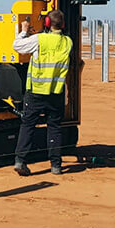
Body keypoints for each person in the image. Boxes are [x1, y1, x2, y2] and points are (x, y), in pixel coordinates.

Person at [11, 9, 73, 176]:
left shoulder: (40, 39)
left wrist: (24, 31)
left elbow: (17, 46)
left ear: (46, 23)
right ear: (63, 25)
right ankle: (56, 165)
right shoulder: (68, 42)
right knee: (54, 127)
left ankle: (20, 161)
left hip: (36, 91)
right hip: (56, 91)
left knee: (28, 125)